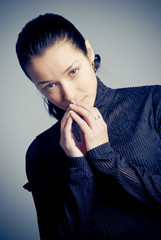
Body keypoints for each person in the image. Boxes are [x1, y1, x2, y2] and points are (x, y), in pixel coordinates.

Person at [16, 13, 161, 240]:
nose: (69, 94)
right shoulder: (40, 152)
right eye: (50, 86)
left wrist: (105, 158)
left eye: (73, 72)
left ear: (89, 53)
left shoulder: (153, 102)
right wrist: (78, 167)